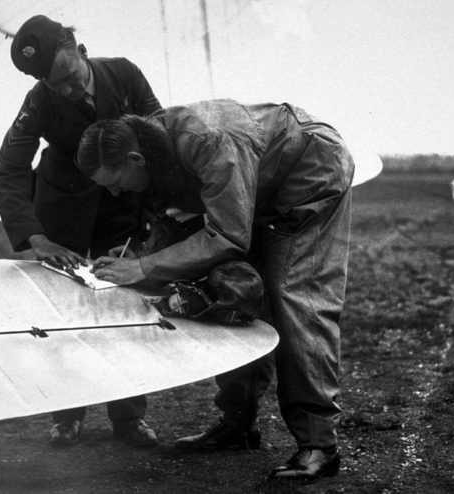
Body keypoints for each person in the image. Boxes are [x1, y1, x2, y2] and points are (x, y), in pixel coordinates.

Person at [75, 99, 354, 482]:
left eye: (116, 182)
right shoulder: (148, 141)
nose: (117, 194)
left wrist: (141, 267)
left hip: (309, 174)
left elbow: (227, 235)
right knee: (235, 294)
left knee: (292, 294)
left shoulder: (209, 142)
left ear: (136, 159)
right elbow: (173, 219)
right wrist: (139, 257)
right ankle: (238, 425)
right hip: (259, 188)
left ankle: (320, 445)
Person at [0, 14, 161, 448]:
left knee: (123, 306)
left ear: (80, 50)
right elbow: (7, 170)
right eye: (54, 84)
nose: (67, 90)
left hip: (121, 208)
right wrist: (36, 238)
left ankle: (129, 418)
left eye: (69, 76)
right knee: (62, 312)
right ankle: (66, 416)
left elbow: (160, 134)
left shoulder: (123, 73)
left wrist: (156, 207)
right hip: (62, 214)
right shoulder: (38, 101)